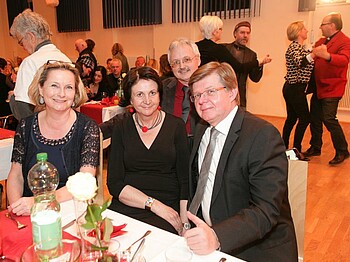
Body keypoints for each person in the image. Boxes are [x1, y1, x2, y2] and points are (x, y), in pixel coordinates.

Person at [184, 62, 297, 261]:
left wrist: (217, 236)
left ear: (233, 91)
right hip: (207, 238)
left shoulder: (262, 136)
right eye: (197, 95)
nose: (202, 101)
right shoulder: (202, 129)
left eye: (211, 91)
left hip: (255, 247)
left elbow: (265, 210)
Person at [7, 61, 100, 216]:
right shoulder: (26, 126)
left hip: (70, 213)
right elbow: (16, 175)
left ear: (75, 93)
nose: (62, 94)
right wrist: (17, 209)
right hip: (28, 213)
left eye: (68, 87)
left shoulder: (87, 127)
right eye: (54, 86)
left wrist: (38, 203)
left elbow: (85, 181)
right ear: (41, 89)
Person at [107, 66, 190, 234]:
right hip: (129, 204)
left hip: (168, 208)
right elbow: (114, 183)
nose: (147, 100)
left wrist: (185, 222)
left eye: (152, 93)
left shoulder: (176, 126)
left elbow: (185, 180)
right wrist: (153, 205)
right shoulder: (121, 128)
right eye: (139, 94)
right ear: (130, 98)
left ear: (160, 94)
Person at [303, 12, 350, 165]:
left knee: (328, 119)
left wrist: (327, 55)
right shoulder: (322, 40)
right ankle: (315, 146)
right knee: (314, 118)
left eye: (322, 24)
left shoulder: (345, 41)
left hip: (332, 87)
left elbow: (344, 60)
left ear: (332, 26)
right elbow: (312, 56)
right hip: (318, 86)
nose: (320, 27)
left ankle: (342, 150)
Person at [9, 9, 71, 121]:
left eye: (21, 42)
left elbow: (23, 109)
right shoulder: (66, 59)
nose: (23, 47)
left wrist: (13, 99)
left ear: (30, 36)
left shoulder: (30, 62)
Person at [223, 21, 272, 108]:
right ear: (235, 34)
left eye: (248, 33)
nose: (245, 35)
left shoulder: (251, 54)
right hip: (223, 93)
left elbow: (255, 78)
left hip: (240, 96)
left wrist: (260, 64)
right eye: (242, 32)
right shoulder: (225, 49)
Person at [282, 21, 314, 155]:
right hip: (294, 88)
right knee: (305, 118)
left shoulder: (300, 47)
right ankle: (296, 150)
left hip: (293, 88)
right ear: (299, 32)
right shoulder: (294, 47)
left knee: (292, 118)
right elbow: (300, 62)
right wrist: (314, 54)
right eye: (304, 29)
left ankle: (285, 148)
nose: (306, 31)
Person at [162, 38, 201, 136]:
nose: (182, 66)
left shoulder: (212, 89)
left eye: (186, 60)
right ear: (171, 66)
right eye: (176, 62)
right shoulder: (161, 89)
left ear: (198, 60)